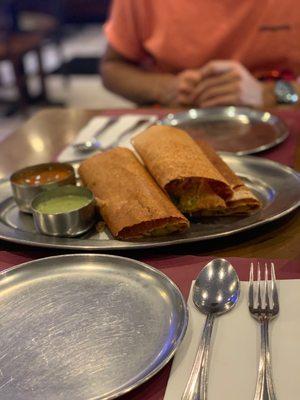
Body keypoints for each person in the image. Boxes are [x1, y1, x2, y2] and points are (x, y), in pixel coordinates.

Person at [101, 0, 300, 108]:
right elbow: (112, 67)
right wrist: (164, 87)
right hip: (175, 124)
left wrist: (268, 93)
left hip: (283, 120)